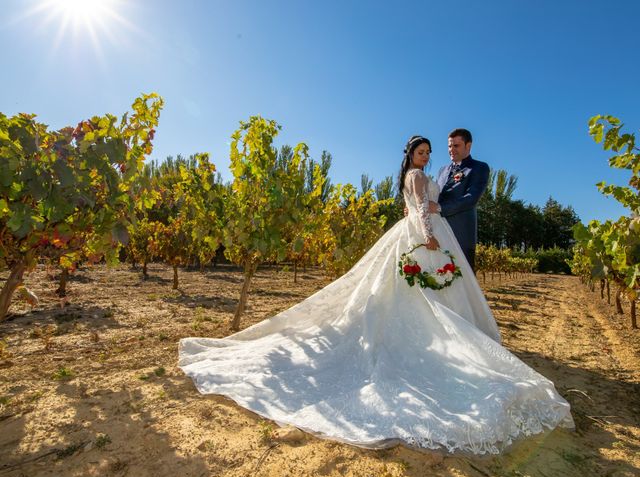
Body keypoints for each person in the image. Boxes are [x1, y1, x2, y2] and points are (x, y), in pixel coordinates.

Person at [179, 135, 573, 455]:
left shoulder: (453, 171)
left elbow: (456, 200)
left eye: (433, 151)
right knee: (423, 292)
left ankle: (448, 338)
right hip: (429, 234)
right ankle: (443, 341)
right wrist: (431, 234)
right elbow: (420, 206)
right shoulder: (421, 175)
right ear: (412, 155)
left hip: (441, 229)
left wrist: (431, 219)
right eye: (424, 151)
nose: (431, 155)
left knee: (426, 292)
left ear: (462, 148)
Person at [432, 129, 489, 271]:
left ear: (468, 146)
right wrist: (416, 206)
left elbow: (471, 198)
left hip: (461, 233)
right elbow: (434, 197)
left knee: (464, 277)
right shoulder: (442, 170)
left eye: (456, 146)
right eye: (449, 146)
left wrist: (439, 208)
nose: (451, 150)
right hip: (439, 232)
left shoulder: (479, 168)